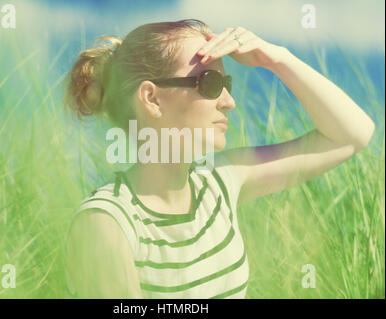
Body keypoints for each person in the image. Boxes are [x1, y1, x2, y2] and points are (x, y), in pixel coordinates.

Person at [63, 19, 375, 299]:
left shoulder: (219, 183)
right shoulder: (106, 222)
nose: (229, 102)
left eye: (226, 85)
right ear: (152, 98)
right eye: (210, 83)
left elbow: (351, 135)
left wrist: (277, 58)